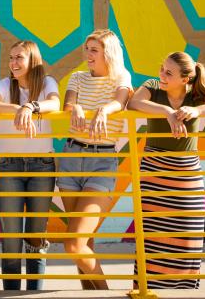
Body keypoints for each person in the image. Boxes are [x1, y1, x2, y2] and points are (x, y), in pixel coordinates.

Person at [127, 51, 205, 290]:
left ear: (185, 79)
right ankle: (149, 286)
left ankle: (184, 287)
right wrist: (167, 112)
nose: (162, 75)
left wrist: (198, 111)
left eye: (169, 72)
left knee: (187, 232)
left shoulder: (196, 95)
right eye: (162, 69)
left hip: (186, 171)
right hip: (154, 168)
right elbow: (134, 102)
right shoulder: (153, 86)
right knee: (152, 232)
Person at [0, 40, 61, 290]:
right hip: (9, 167)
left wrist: (30, 106)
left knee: (35, 237)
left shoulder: (47, 83)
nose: (13, 63)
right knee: (11, 238)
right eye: (11, 57)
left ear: (32, 60)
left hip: (42, 166)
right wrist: (17, 108)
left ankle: (33, 294)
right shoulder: (5, 85)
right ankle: (11, 293)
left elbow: (55, 104)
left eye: (19, 58)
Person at [58, 29, 132, 290]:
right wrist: (76, 107)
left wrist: (103, 109)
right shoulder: (77, 77)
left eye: (93, 50)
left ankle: (105, 293)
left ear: (107, 53)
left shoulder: (121, 77)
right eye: (87, 49)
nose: (87, 54)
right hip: (71, 157)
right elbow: (68, 106)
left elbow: (120, 101)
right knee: (84, 242)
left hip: (102, 161)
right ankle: (90, 295)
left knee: (74, 243)